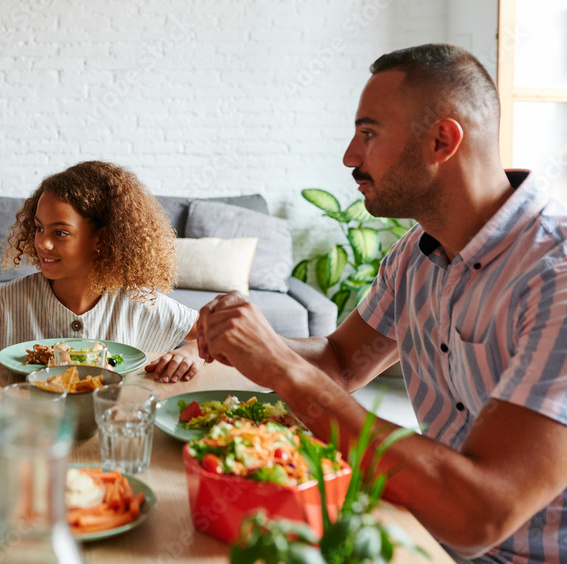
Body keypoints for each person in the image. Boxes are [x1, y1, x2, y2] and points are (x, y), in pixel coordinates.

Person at [198, 44, 567, 563]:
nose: (350, 156)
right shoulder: (414, 257)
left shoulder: (556, 276)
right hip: (422, 530)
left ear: (442, 140)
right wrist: (251, 340)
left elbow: (481, 512)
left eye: (368, 134)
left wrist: (283, 368)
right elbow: (341, 362)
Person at [0, 160, 203, 382]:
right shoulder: (8, 301)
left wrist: (191, 352)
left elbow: (212, 339)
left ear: (101, 239)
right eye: (39, 228)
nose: (41, 243)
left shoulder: (139, 302)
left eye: (60, 232)